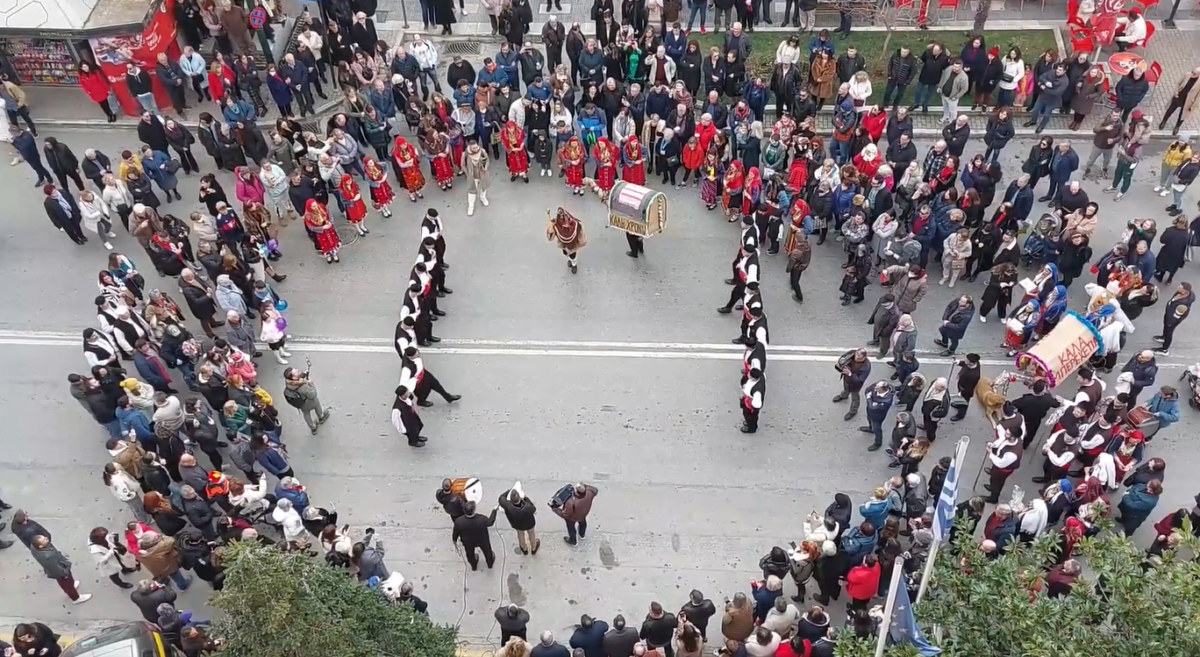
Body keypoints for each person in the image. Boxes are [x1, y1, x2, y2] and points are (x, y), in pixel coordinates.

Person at [31, 534, 92, 603]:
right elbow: (56, 569)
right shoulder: (47, 556)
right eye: (44, 540)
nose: (46, 538)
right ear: (41, 546)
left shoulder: (35, 547)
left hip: (58, 566)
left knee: (65, 583)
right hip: (61, 570)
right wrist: (64, 573)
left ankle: (70, 588)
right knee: (67, 583)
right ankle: (76, 598)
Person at [452, 500, 499, 571]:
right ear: (473, 510)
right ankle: (490, 563)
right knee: (487, 551)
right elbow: (490, 522)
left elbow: (456, 532)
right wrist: (494, 510)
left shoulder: (459, 521)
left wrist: (454, 540)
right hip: (482, 539)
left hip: (468, 541)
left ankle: (473, 565)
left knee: (470, 553)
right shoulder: (482, 519)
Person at [1154, 282, 1193, 356]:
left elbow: (1176, 316)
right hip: (1169, 314)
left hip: (1172, 319)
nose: (1178, 287)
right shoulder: (1180, 293)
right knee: (1165, 328)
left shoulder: (1183, 305)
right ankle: (1163, 337)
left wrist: (1170, 323)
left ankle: (1164, 350)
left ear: (1185, 291)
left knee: (1169, 332)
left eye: (1180, 287)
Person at [499, 485, 539, 555]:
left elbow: (501, 498)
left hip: (517, 524)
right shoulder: (527, 507)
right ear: (520, 498)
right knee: (531, 534)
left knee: (520, 534)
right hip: (529, 523)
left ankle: (524, 548)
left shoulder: (508, 506)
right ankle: (533, 548)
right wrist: (526, 498)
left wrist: (509, 491)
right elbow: (534, 508)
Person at [832, 348, 870, 421]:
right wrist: (841, 361)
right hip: (846, 378)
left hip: (855, 385)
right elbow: (844, 356)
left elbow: (859, 381)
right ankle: (844, 396)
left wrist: (850, 374)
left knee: (855, 398)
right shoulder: (852, 352)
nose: (856, 358)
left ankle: (853, 411)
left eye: (859, 358)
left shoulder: (866, 367)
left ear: (864, 358)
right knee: (846, 388)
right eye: (856, 355)